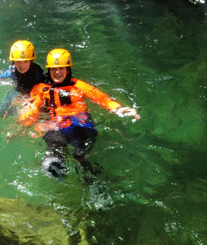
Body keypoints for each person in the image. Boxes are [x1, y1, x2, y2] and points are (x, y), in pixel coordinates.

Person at [18, 48, 140, 180]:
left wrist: (120, 109)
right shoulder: (41, 89)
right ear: (48, 70)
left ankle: (90, 174)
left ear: (68, 69)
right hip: (56, 126)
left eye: (61, 68)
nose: (57, 72)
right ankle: (56, 170)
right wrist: (22, 124)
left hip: (79, 125)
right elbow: (33, 108)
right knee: (53, 153)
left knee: (79, 155)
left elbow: (102, 99)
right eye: (53, 69)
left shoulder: (79, 86)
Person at [0, 40, 45, 117]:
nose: (22, 65)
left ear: (31, 61)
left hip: (32, 93)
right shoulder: (13, 70)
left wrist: (28, 99)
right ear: (13, 61)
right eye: (18, 61)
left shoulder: (37, 73)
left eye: (25, 61)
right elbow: (6, 75)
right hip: (18, 91)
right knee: (2, 110)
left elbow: (43, 88)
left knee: (25, 112)